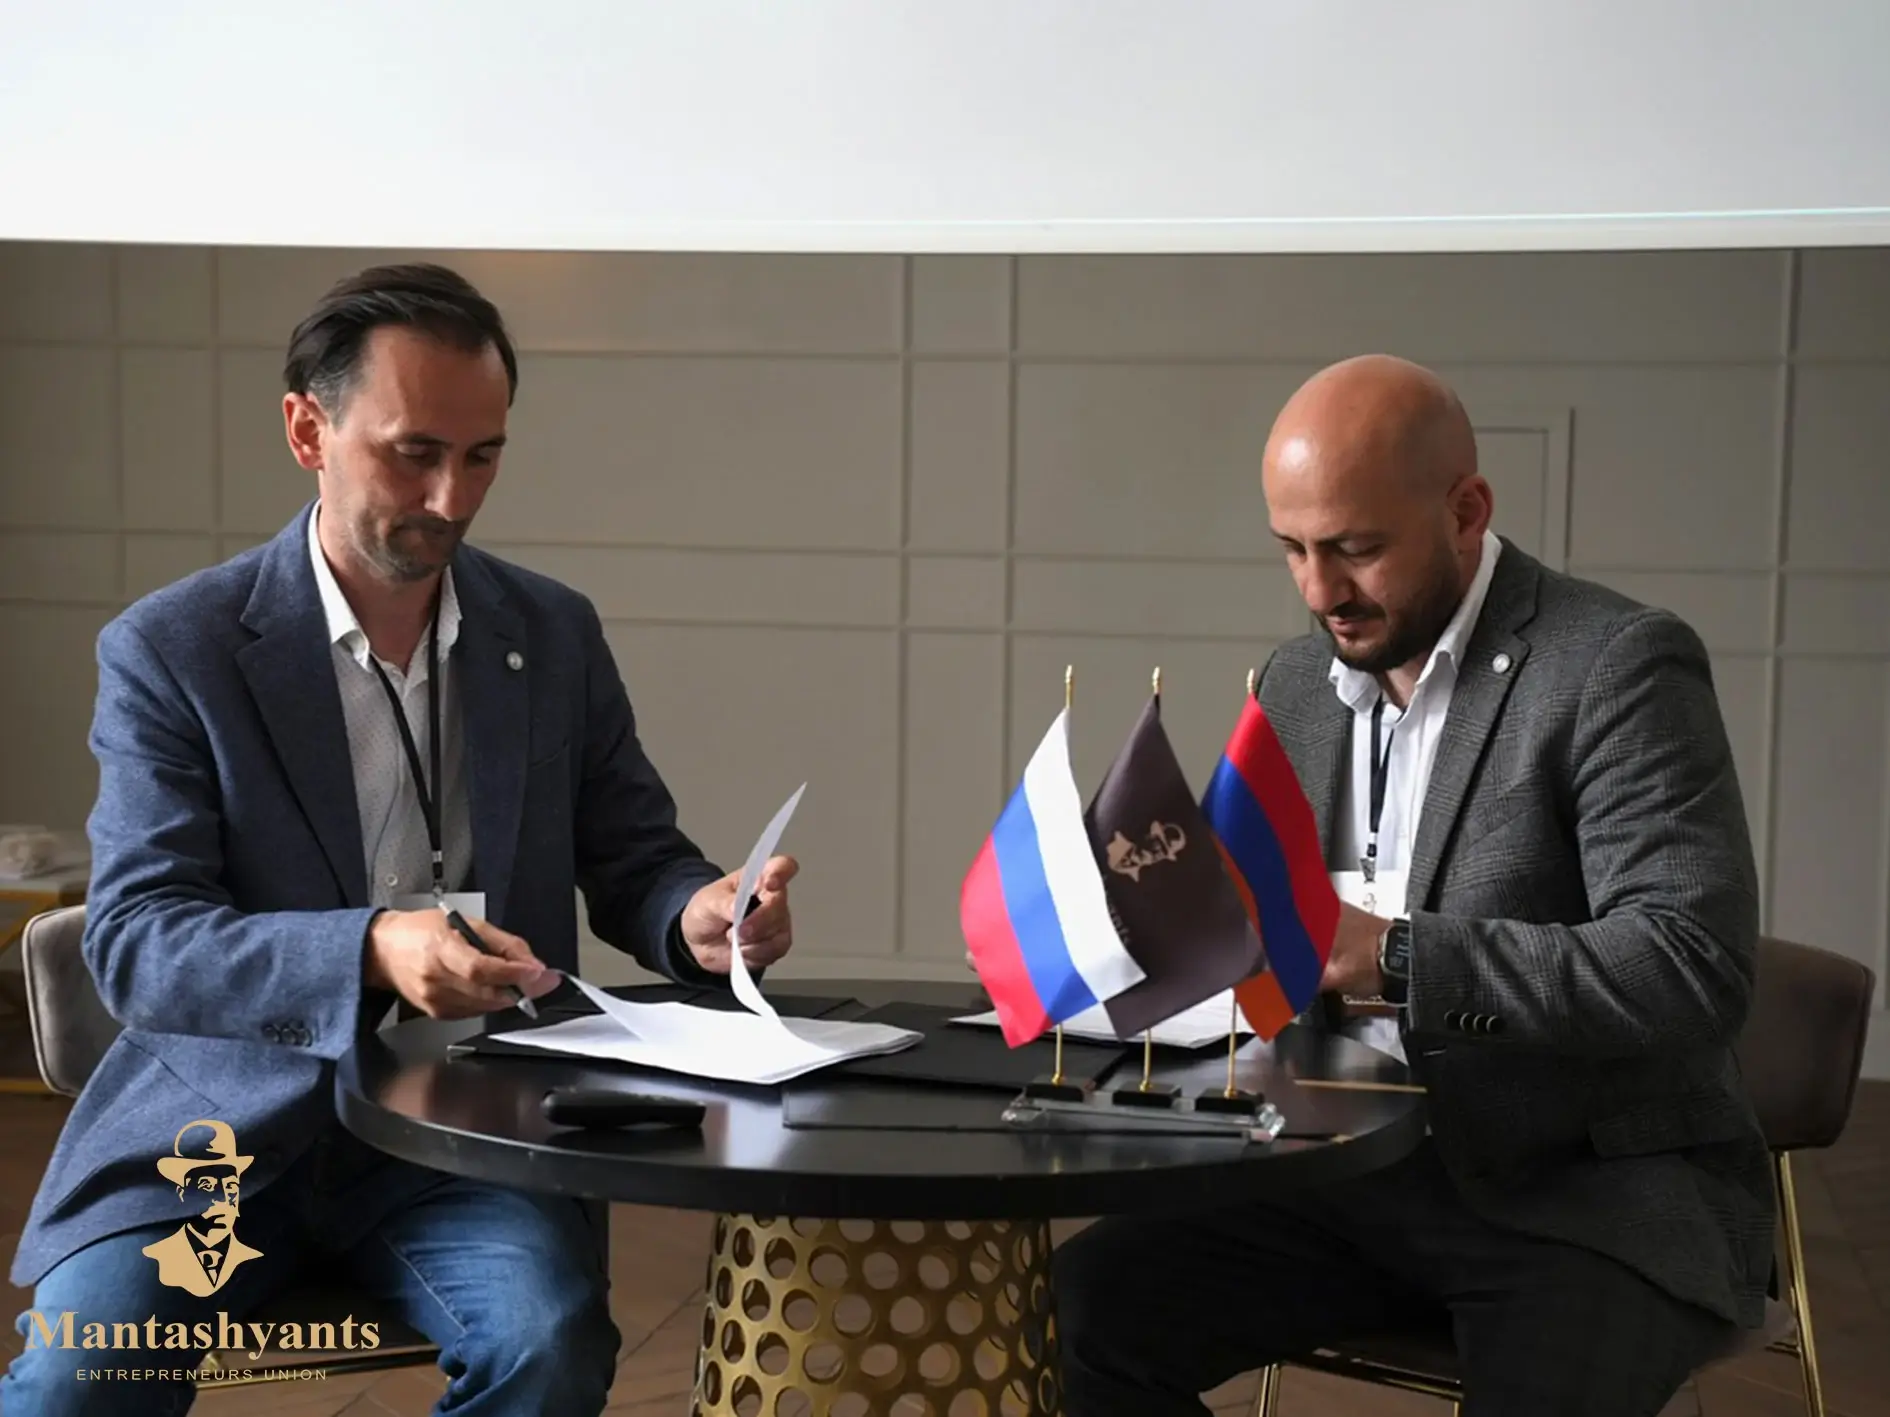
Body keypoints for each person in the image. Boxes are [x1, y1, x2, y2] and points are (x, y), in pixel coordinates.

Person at [3, 262, 798, 1416]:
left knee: (549, 1345)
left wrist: (698, 917)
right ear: (306, 430)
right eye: (414, 452)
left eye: (482, 456)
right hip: (210, 1143)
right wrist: (371, 948)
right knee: (78, 1380)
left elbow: (636, 857)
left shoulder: (552, 633)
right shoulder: (173, 650)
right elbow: (137, 942)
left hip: (467, 1137)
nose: (450, 495)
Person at [1052, 354, 1775, 1417]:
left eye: (1356, 548)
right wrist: (1143, 936)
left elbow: (1689, 964)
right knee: (1073, 1318)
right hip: (1340, 1171)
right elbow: (1258, 931)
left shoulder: (1616, 664)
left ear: (1467, 510)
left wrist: (1394, 955)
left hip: (1585, 1196)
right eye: (1293, 549)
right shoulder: (1296, 682)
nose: (1320, 591)